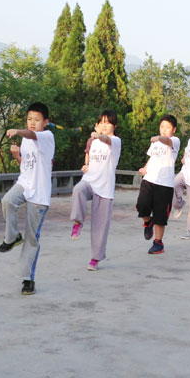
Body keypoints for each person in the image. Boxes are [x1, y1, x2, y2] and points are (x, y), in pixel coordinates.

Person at [0, 102, 55, 295]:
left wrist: (18, 131)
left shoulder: (46, 136)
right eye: (29, 119)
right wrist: (16, 157)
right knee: (7, 201)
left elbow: (31, 135)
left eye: (37, 120)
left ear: (45, 122)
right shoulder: (26, 141)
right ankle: (12, 237)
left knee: (32, 237)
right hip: (25, 183)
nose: (32, 123)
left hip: (39, 193)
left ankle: (28, 279)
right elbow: (28, 166)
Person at [70, 110, 122, 271]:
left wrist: (99, 136)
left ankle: (95, 259)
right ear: (97, 125)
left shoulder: (115, 141)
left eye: (108, 122)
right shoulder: (92, 141)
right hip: (90, 180)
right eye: (101, 123)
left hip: (105, 188)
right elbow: (89, 157)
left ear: (114, 125)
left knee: (100, 226)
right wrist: (86, 165)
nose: (104, 126)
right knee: (78, 189)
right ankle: (78, 221)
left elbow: (106, 139)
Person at [136, 115, 180, 255]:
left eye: (167, 127)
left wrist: (159, 138)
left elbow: (166, 140)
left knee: (160, 216)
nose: (164, 130)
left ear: (174, 129)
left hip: (165, 184)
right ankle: (148, 222)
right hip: (149, 180)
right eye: (162, 127)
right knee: (142, 205)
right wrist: (145, 168)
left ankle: (158, 243)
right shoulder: (155, 142)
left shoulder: (174, 141)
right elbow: (152, 158)